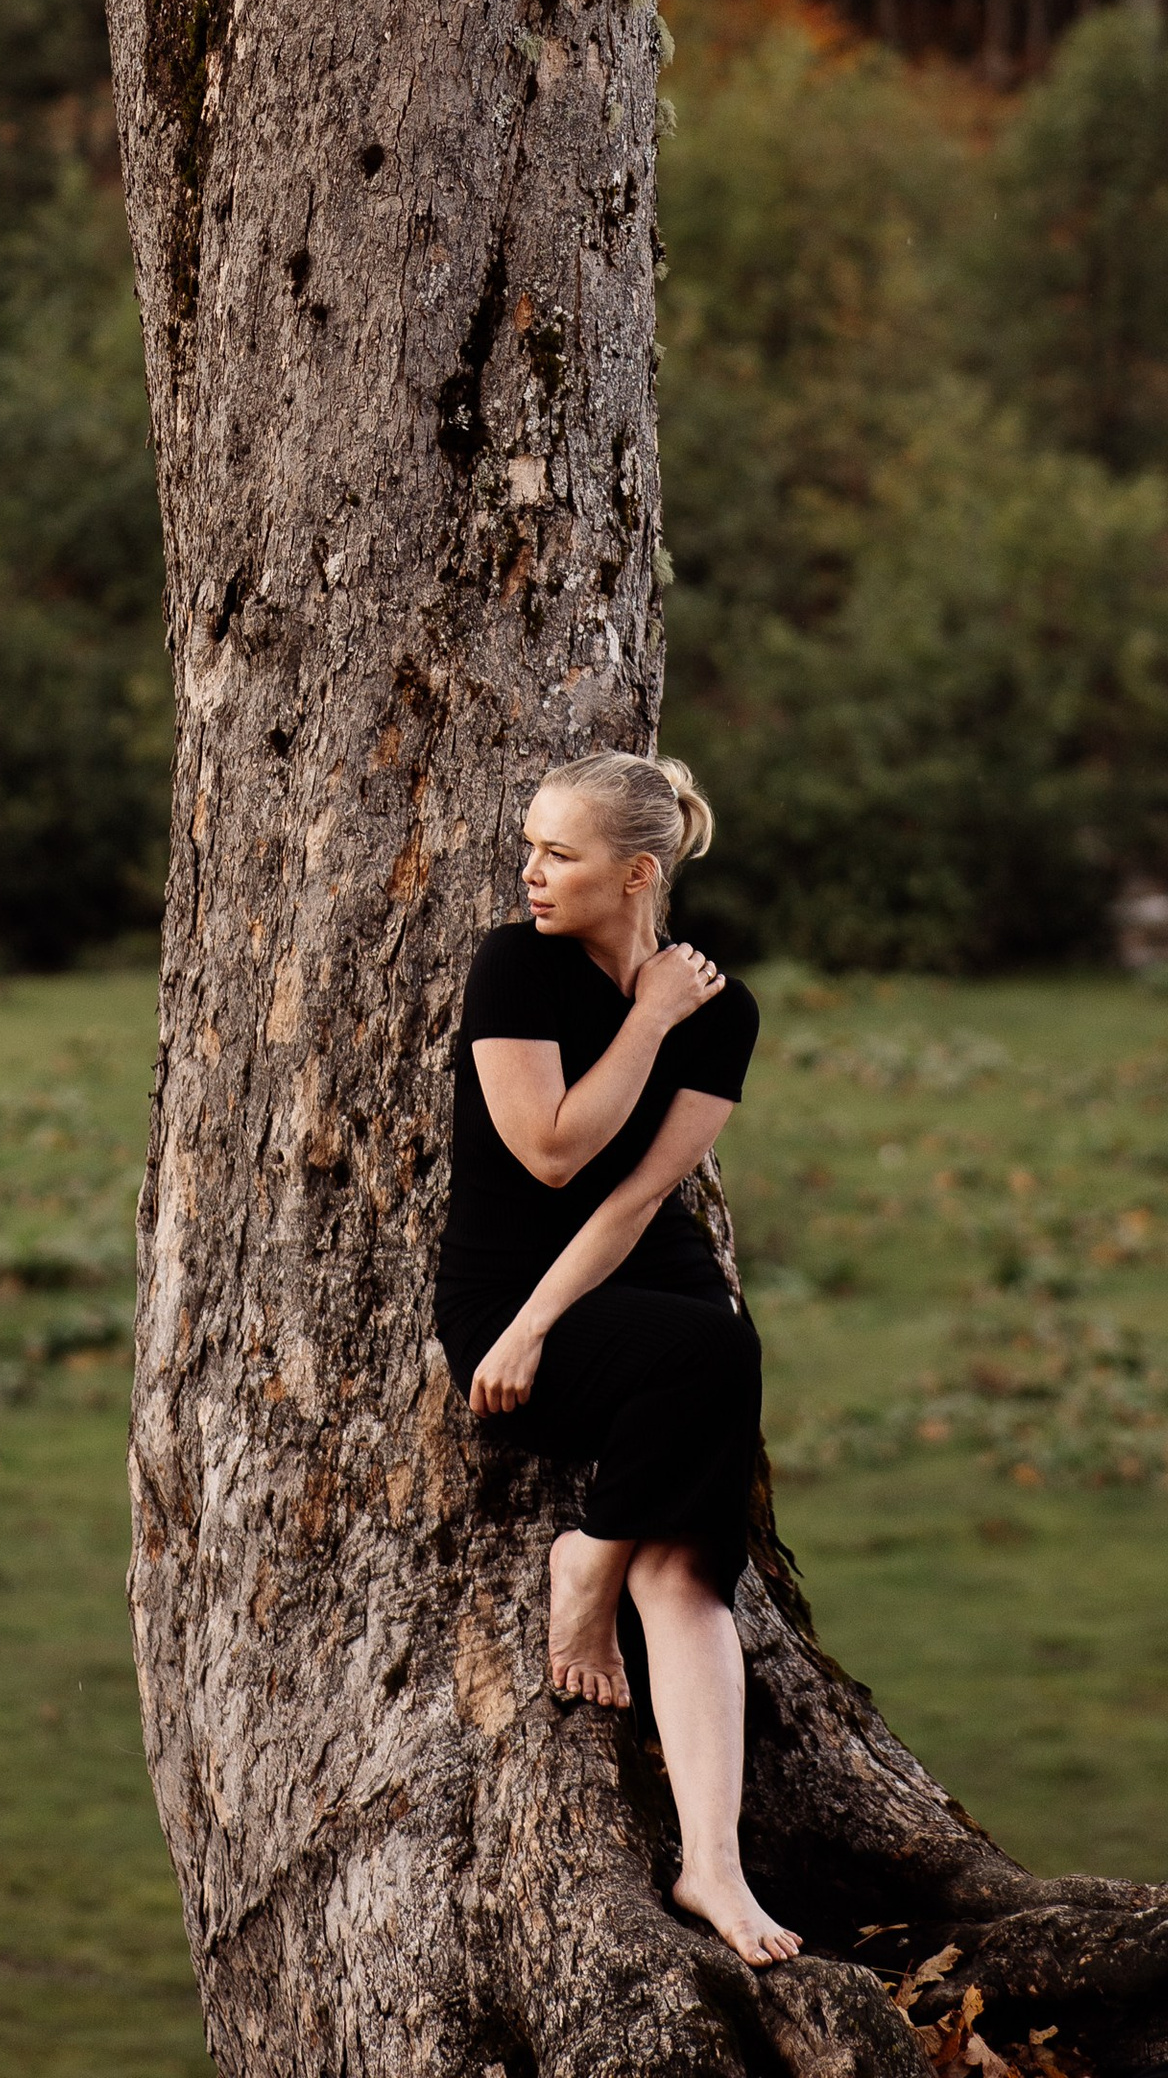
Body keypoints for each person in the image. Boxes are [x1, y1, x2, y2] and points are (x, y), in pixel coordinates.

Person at [434, 748, 801, 1972]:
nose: (529, 872)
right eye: (530, 846)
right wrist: (530, 1327)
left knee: (687, 1577)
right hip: (507, 1293)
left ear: (636, 872)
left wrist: (671, 1016)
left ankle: (711, 1863)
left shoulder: (724, 1013)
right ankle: (590, 1559)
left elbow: (642, 1192)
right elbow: (547, 1151)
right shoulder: (515, 969)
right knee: (709, 1352)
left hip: (644, 1275)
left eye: (559, 853)